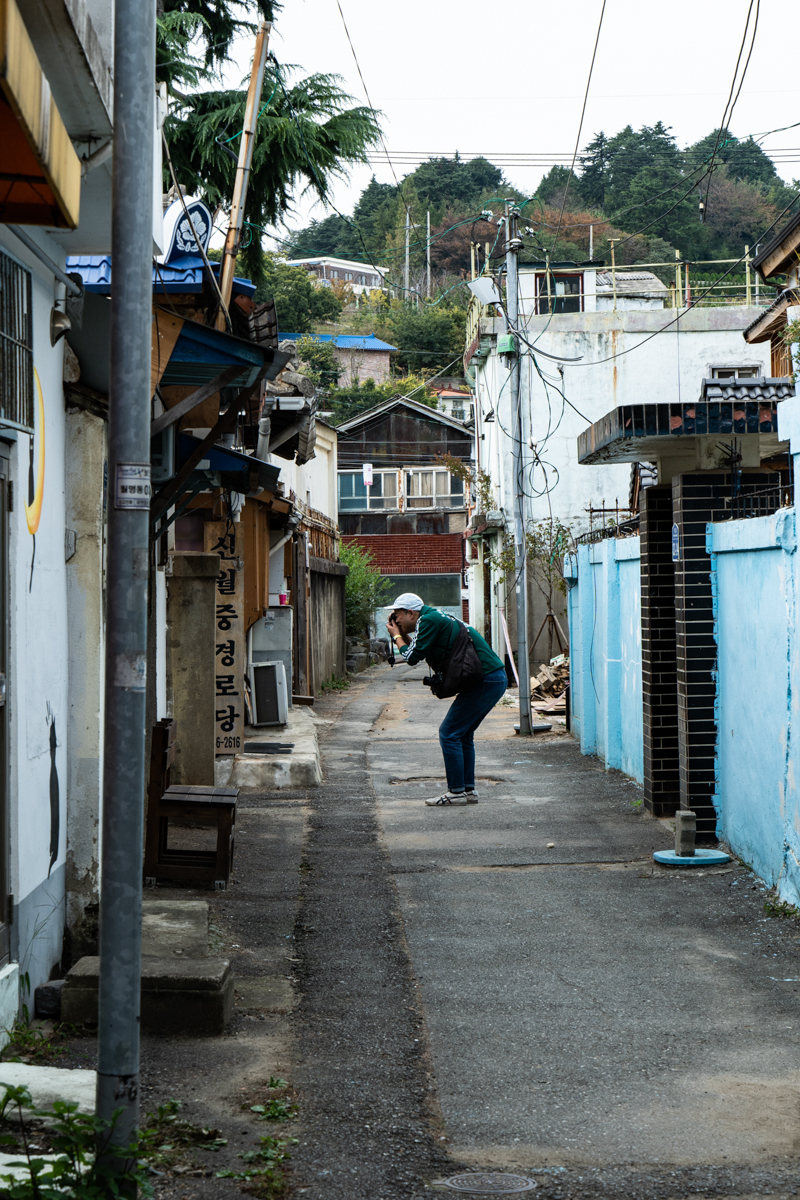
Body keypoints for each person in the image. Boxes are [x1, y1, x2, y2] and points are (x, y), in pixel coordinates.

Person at [386, 592, 508, 806]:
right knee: (462, 734)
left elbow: (411, 658)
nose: (395, 621)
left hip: (485, 679)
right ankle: (467, 791)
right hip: (491, 678)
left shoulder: (429, 620)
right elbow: (417, 650)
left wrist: (396, 636)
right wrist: (400, 634)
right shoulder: (432, 618)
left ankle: (456, 792)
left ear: (411, 613)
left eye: (397, 616)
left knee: (449, 732)